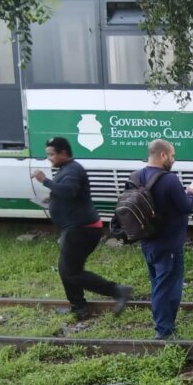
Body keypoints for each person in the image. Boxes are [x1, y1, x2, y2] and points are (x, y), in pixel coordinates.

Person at [31, 137, 133, 320]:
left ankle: (118, 290)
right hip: (77, 228)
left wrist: (45, 181)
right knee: (67, 269)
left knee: (70, 271)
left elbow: (69, 191)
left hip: (82, 229)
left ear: (63, 153)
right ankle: (78, 307)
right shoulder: (66, 169)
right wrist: (53, 198)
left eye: (52, 154)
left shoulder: (73, 170)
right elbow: (67, 193)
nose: (49, 158)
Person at [137, 139, 193, 340]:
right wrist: (191, 193)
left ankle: (164, 325)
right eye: (172, 155)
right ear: (162, 155)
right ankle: (164, 332)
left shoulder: (137, 176)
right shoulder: (169, 180)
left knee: (158, 285)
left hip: (148, 242)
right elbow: (185, 207)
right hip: (169, 244)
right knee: (168, 288)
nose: (173, 159)